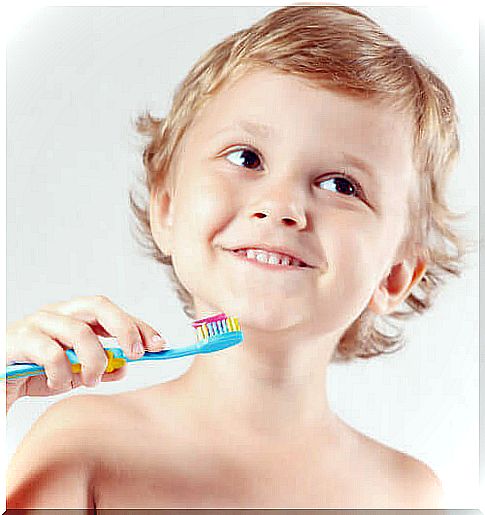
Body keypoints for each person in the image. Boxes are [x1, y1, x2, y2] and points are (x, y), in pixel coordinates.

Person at [5, 5, 470, 509]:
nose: (281, 207)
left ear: (395, 277)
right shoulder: (82, 447)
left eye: (341, 185)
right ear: (166, 208)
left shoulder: (406, 495)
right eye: (246, 158)